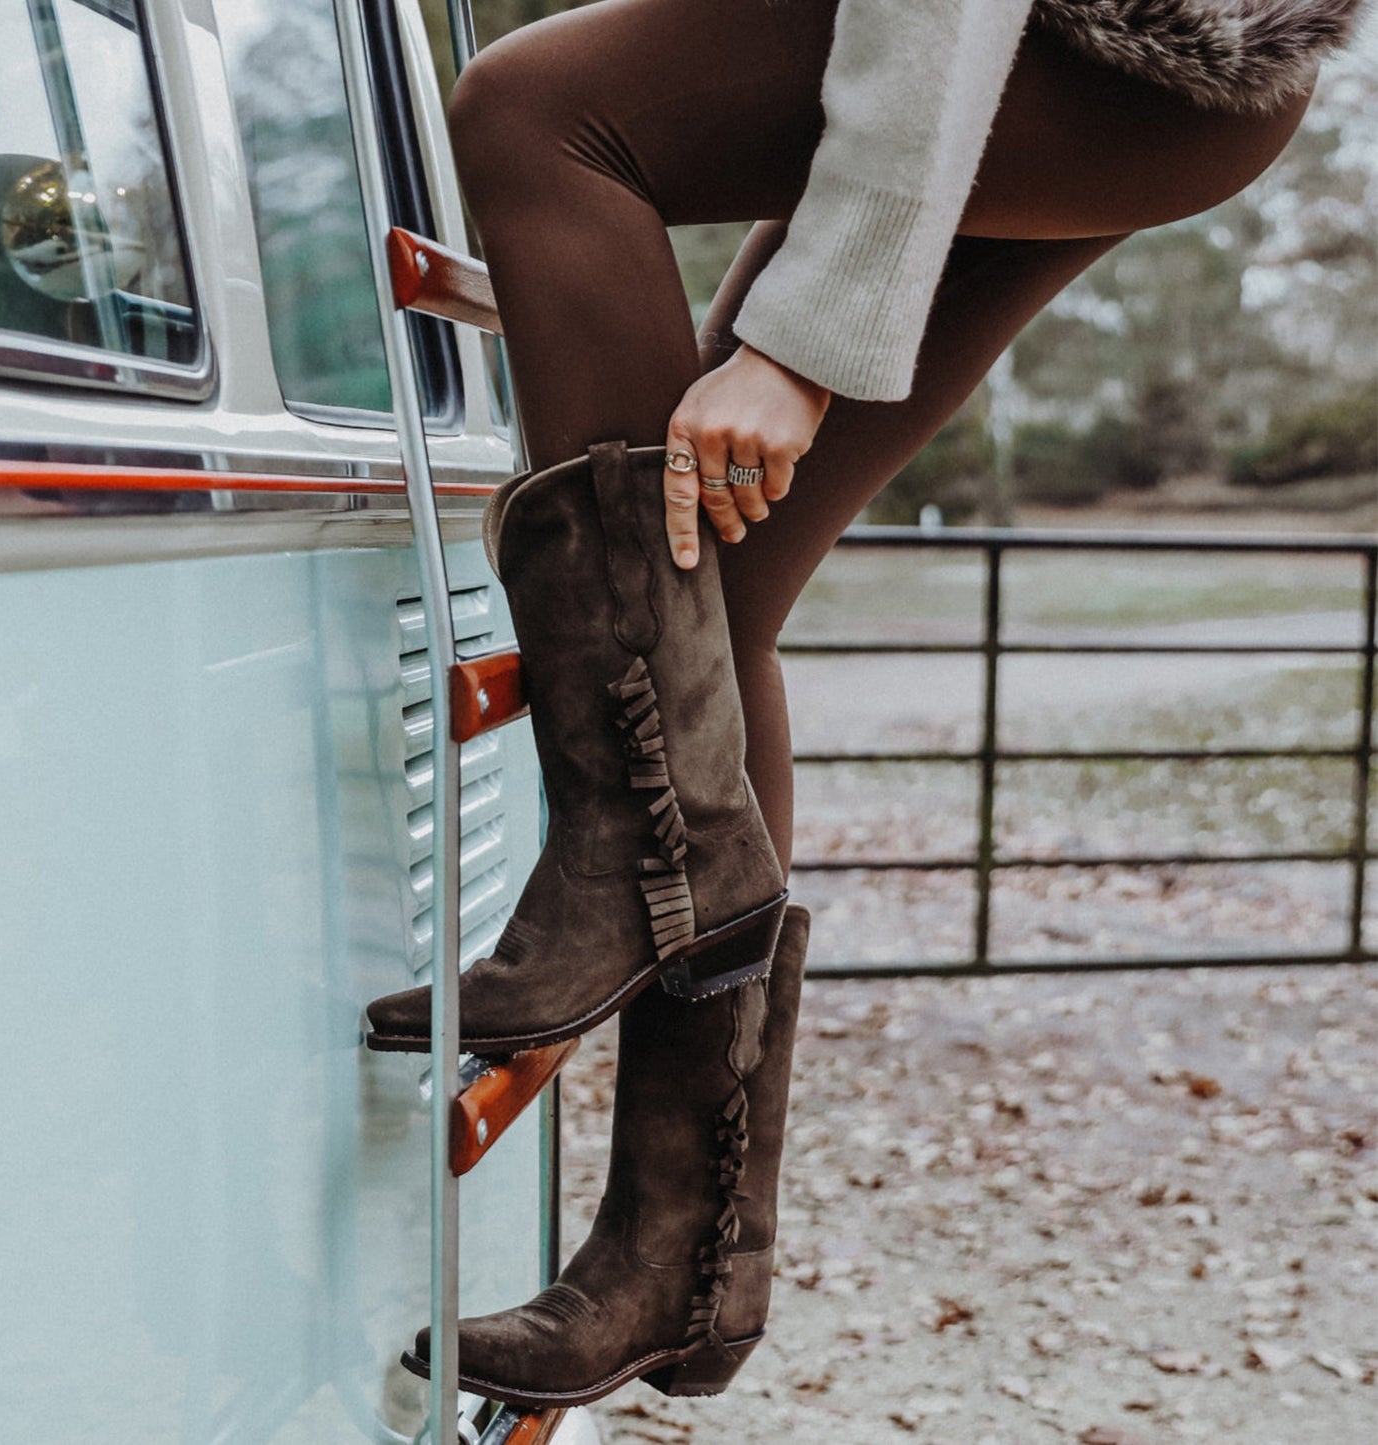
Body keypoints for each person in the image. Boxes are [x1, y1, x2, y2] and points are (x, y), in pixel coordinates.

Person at [365, 0, 1369, 1411]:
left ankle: (643, 866)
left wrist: (802, 346)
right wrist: (563, 284)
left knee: (534, 106)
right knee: (715, 592)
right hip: (1127, 69)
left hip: (1092, 46)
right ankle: (682, 1259)